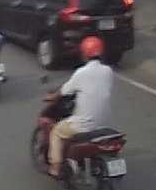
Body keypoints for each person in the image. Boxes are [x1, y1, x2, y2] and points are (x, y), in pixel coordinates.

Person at [43, 36, 114, 179]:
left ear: (84, 53)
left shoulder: (82, 73)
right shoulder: (108, 71)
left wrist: (51, 97)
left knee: (56, 132)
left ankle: (55, 168)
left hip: (84, 125)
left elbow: (63, 91)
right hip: (103, 124)